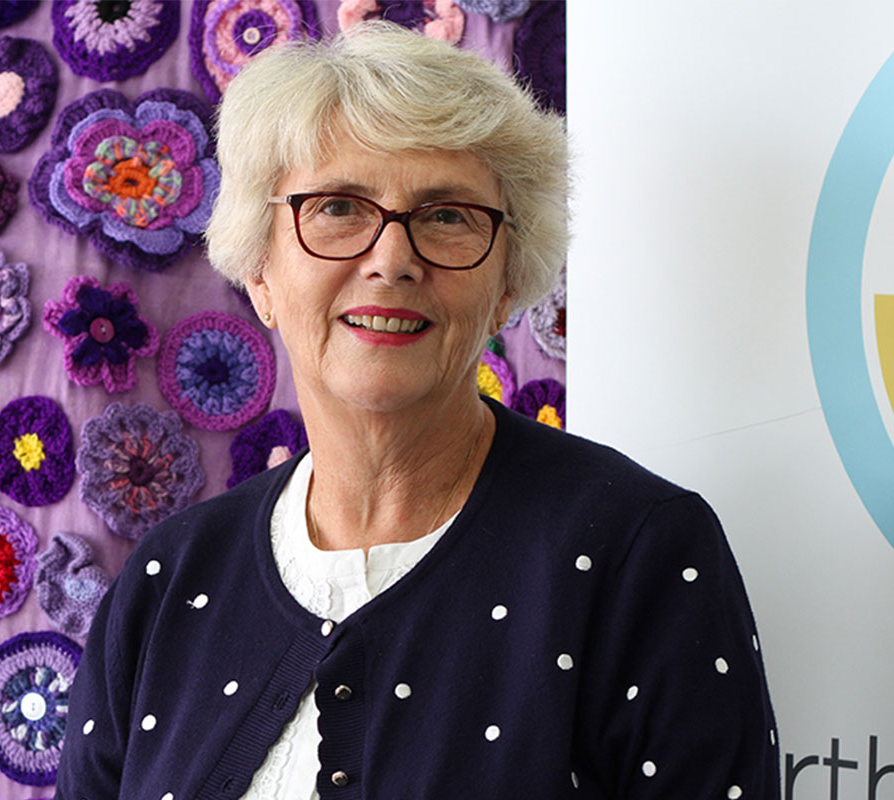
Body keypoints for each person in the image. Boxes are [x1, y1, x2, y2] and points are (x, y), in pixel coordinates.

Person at [56, 22, 780, 799]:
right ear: (260, 270)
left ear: (508, 282)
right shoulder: (171, 577)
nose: (391, 259)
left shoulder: (638, 550)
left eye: (447, 216)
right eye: (337, 207)